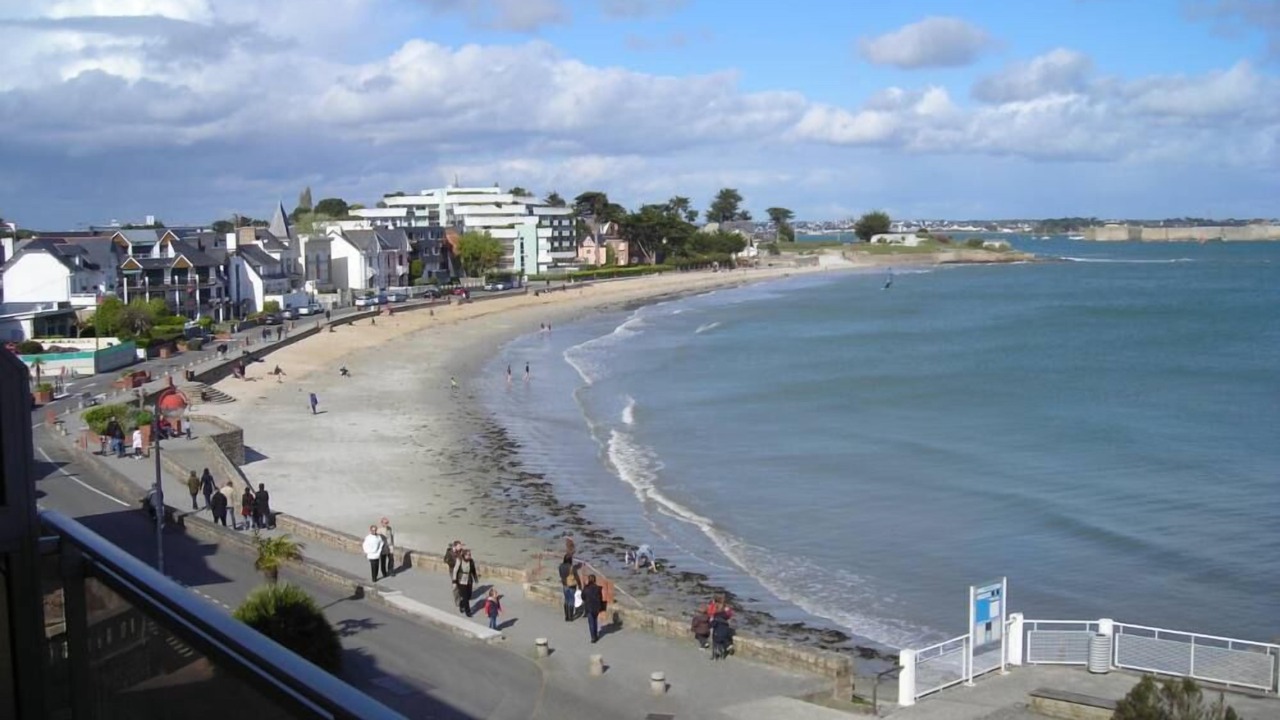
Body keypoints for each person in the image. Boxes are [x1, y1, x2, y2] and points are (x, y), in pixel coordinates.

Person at [453, 549, 478, 616]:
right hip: (461, 580)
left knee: (469, 596)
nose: (470, 556)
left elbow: (473, 570)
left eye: (470, 554)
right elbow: (455, 571)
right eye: (468, 555)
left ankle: (461, 604)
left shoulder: (471, 561)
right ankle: (468, 611)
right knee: (465, 597)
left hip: (469, 580)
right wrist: (454, 582)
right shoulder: (459, 560)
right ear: (464, 555)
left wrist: (475, 579)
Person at [581, 574, 605, 643]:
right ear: (595, 580)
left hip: (589, 607)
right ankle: (595, 635)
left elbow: (583, 596)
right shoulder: (598, 588)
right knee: (595, 620)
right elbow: (601, 597)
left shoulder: (586, 588)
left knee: (591, 622)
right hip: (596, 606)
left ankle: (593, 637)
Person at [557, 554, 580, 622]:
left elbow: (561, 575)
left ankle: (566, 616)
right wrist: (580, 584)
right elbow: (576, 576)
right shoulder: (571, 567)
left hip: (564, 585)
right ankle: (570, 616)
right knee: (571, 600)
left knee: (566, 600)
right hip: (571, 585)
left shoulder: (560, 566)